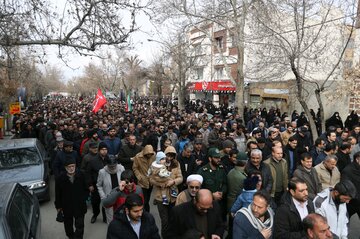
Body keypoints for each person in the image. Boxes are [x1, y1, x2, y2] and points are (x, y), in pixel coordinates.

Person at [149, 146, 183, 238]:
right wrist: (159, 184)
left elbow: (180, 178)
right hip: (161, 197)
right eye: (167, 155)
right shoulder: (157, 164)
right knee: (165, 221)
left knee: (172, 219)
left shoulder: (177, 164)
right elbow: (151, 179)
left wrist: (173, 181)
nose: (169, 158)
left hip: (173, 196)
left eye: (172, 156)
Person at [54, 156, 88, 239]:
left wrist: (84, 198)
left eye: (73, 166)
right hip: (67, 206)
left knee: (80, 225)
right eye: (69, 167)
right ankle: (71, 236)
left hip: (79, 205)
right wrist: (58, 207)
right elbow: (57, 194)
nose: (71, 168)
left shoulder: (81, 175)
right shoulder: (60, 178)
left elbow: (86, 188)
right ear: (65, 168)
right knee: (68, 225)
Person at [197, 147, 228, 220]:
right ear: (210, 158)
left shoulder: (221, 169)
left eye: (219, 157)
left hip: (220, 204)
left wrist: (222, 192)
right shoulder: (202, 171)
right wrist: (212, 195)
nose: (218, 160)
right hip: (207, 205)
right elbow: (198, 188)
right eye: (216, 158)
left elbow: (225, 183)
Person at [84, 142, 109, 223]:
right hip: (96, 185)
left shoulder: (110, 159)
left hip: (107, 184)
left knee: (106, 202)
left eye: (106, 149)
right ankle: (95, 214)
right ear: (99, 150)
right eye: (102, 149)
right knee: (95, 202)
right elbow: (88, 173)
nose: (104, 151)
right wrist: (90, 185)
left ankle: (105, 217)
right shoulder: (93, 161)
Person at [96, 155, 125, 224]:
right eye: (110, 166)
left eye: (114, 166)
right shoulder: (102, 172)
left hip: (120, 197)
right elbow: (99, 186)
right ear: (107, 164)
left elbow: (125, 181)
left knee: (122, 218)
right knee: (111, 220)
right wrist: (103, 197)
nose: (113, 167)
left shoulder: (121, 168)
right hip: (109, 198)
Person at [132, 144, 156, 212]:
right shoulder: (138, 157)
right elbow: (135, 168)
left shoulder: (153, 155)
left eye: (151, 154)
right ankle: (143, 213)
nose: (149, 155)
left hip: (151, 181)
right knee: (143, 200)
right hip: (142, 181)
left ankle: (146, 213)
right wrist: (139, 177)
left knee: (147, 199)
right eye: (148, 154)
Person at [341, 151, 360, 219]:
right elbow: (346, 186)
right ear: (357, 159)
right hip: (352, 201)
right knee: (345, 220)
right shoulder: (347, 171)